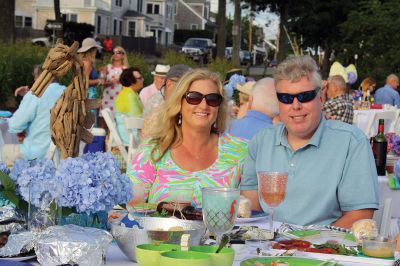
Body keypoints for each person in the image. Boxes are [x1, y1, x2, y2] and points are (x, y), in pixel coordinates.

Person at [241, 55, 379, 228]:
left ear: (321, 99)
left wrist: (309, 244)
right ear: (279, 103)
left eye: (305, 96)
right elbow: (251, 205)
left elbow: (359, 214)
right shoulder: (261, 141)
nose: (296, 105)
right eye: (286, 98)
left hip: (322, 249)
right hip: (267, 247)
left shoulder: (351, 142)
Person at [127, 69, 248, 207]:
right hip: (161, 228)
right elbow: (131, 205)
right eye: (194, 97)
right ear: (179, 103)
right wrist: (164, 210)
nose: (204, 105)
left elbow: (250, 210)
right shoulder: (152, 150)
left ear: (219, 107)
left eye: (213, 99)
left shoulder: (240, 151)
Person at [3, 78, 65, 166]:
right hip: (64, 156)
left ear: (39, 78)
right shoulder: (68, 92)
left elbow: (14, 125)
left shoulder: (36, 94)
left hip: (37, 155)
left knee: (3, 150)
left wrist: (29, 96)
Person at [141, 64, 191, 140]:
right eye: (182, 84)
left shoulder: (159, 97)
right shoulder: (158, 102)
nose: (186, 88)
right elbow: (151, 135)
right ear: (169, 83)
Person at [115, 67, 144, 144]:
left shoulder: (129, 93)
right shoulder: (129, 95)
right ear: (131, 81)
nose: (143, 80)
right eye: (140, 78)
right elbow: (138, 119)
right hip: (130, 136)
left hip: (129, 132)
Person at [77, 37, 102, 126]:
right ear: (92, 50)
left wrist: (98, 71)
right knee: (91, 122)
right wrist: (98, 81)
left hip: (85, 94)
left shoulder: (82, 62)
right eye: (95, 49)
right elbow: (85, 82)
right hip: (89, 94)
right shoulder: (87, 63)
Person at [101, 46, 129, 112]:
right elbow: (102, 84)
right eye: (113, 52)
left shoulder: (126, 70)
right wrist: (110, 83)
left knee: (119, 120)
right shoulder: (107, 67)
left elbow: (128, 86)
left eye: (118, 52)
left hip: (120, 99)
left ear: (123, 55)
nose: (115, 54)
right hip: (107, 98)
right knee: (105, 119)